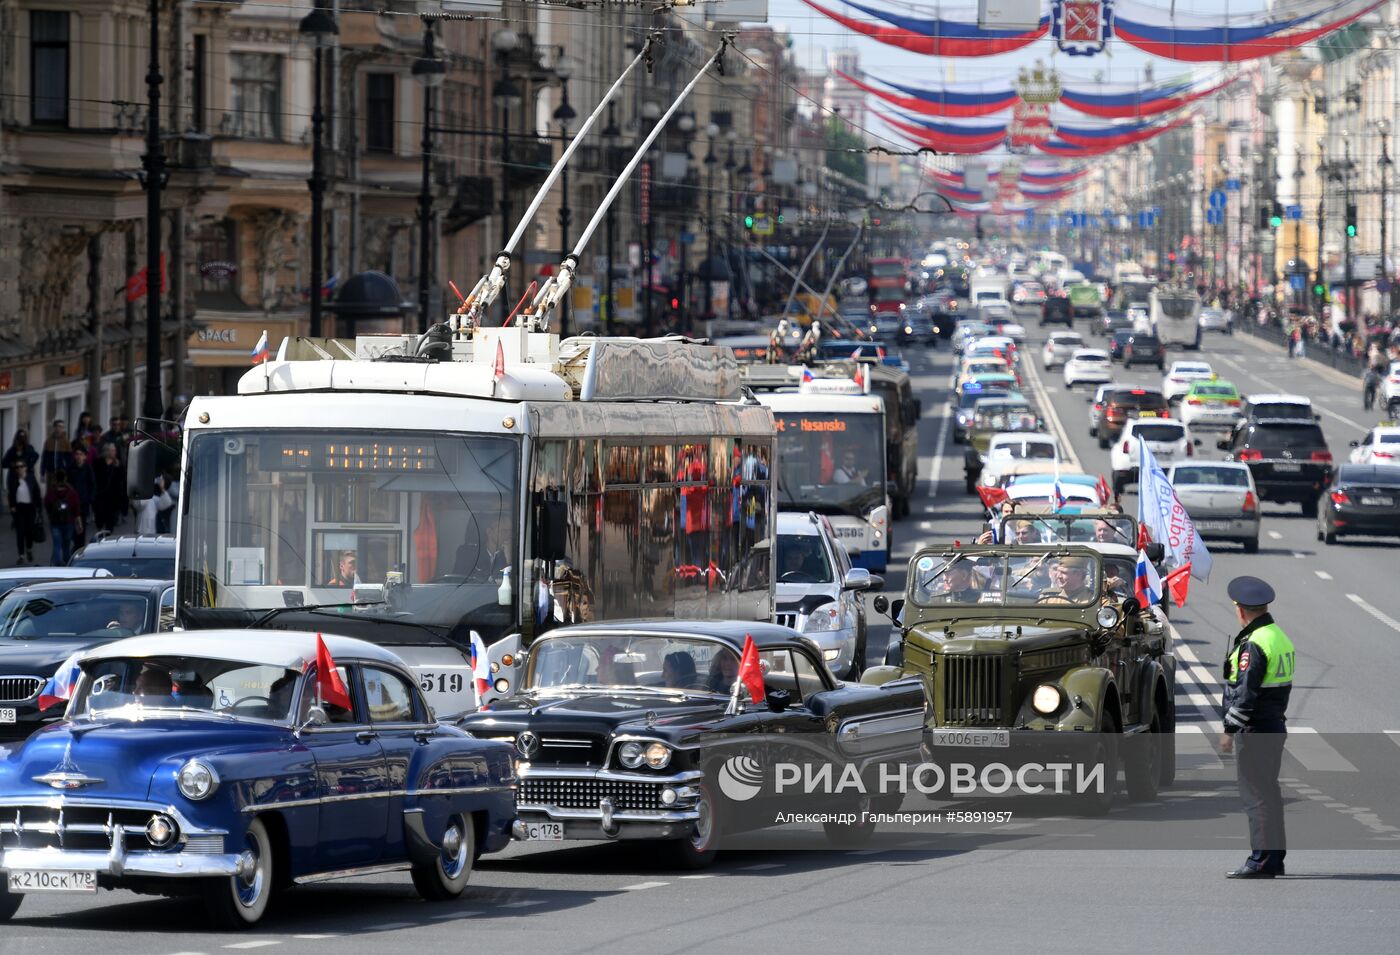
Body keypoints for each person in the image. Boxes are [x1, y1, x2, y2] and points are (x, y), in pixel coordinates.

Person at [1220, 575, 1294, 880]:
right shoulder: (1278, 636)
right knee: (1269, 794)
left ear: (1241, 610)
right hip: (1274, 724)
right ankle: (1274, 858)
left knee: (1256, 797)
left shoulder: (1254, 644)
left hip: (1256, 729)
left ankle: (1261, 861)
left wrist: (1228, 731)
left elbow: (1246, 696)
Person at [7, 461, 42, 565]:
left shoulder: (31, 478)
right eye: (17, 467)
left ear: (26, 467)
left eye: (21, 466)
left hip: (30, 508)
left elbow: (36, 492)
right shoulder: (13, 480)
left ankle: (29, 549)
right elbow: (10, 494)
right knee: (20, 532)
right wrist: (12, 506)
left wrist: (39, 507)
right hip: (19, 509)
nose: (19, 469)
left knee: (29, 531)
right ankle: (21, 555)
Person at [43, 469, 81, 565]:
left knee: (57, 545)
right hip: (69, 522)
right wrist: (79, 522)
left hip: (55, 523)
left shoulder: (51, 492)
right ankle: (67, 563)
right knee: (66, 545)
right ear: (65, 478)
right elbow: (76, 508)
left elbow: (47, 504)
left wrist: (50, 515)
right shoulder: (71, 492)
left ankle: (56, 563)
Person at [92, 443, 126, 534]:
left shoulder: (118, 464)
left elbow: (123, 479)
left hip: (113, 498)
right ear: (107, 451)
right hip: (100, 497)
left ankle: (107, 537)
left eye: (115, 450)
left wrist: (118, 467)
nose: (115, 452)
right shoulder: (97, 463)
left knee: (110, 523)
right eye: (113, 450)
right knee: (100, 520)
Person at [68, 446, 96, 549]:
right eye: (77, 454)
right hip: (72, 503)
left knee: (82, 528)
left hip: (83, 503)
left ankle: (80, 548)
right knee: (72, 527)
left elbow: (92, 484)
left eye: (81, 454)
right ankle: (76, 544)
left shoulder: (88, 468)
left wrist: (90, 499)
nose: (78, 456)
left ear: (85, 456)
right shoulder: (70, 468)